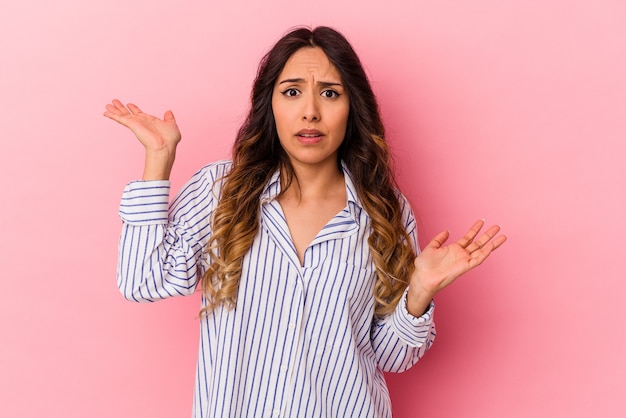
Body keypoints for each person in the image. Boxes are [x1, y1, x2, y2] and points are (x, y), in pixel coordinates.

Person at [104, 26, 506, 418]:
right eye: (292, 92)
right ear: (270, 104)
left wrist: (419, 290)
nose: (310, 111)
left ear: (353, 108)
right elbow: (143, 280)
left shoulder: (385, 213)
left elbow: (391, 357)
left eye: (329, 93)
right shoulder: (219, 191)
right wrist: (158, 159)